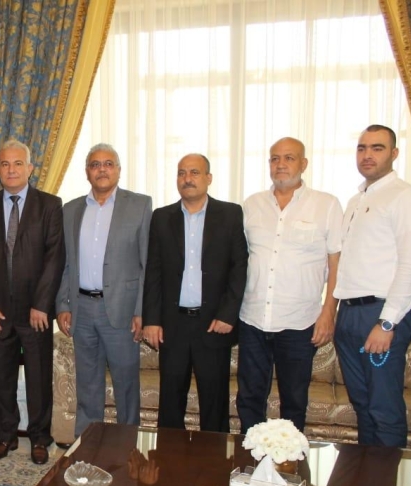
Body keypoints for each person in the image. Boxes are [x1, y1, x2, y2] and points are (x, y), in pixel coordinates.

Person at [333, 124, 411, 447]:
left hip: (380, 314)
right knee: (363, 407)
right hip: (349, 314)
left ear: (394, 153)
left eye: (377, 148)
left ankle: (386, 480)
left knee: (384, 409)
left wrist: (387, 322)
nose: (367, 155)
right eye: (362, 148)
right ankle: (368, 479)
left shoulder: (406, 197)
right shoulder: (356, 199)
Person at [236, 137, 343, 433]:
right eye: (275, 158)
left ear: (303, 164)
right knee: (249, 399)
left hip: (299, 323)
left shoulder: (326, 205)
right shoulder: (252, 204)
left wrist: (328, 312)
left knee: (294, 402)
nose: (280, 164)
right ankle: (249, 457)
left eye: (289, 158)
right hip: (252, 319)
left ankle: (291, 459)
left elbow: (337, 262)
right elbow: (239, 259)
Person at [0, 139, 64, 464]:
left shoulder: (49, 205)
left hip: (35, 311)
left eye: (18, 163)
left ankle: (40, 437)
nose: (11, 170)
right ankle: (6, 435)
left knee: (39, 378)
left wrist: (42, 304)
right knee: (2, 376)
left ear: (30, 168)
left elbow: (54, 258)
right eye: (5, 164)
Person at [142, 154, 247, 432]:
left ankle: (214, 459)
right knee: (170, 401)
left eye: (194, 172)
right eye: (182, 173)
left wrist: (228, 314)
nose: (187, 179)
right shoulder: (162, 217)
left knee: (214, 403)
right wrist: (151, 320)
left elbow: (239, 268)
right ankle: (169, 456)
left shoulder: (230, 214)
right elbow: (153, 271)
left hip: (213, 323)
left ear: (208, 178)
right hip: (172, 324)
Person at [55, 143, 152, 437]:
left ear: (118, 170)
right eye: (95, 164)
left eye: (108, 164)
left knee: (126, 384)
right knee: (87, 383)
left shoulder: (139, 205)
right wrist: (63, 304)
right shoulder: (71, 209)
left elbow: (147, 263)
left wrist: (141, 311)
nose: (102, 169)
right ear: (87, 172)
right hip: (82, 309)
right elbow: (65, 262)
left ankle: (127, 442)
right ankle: (87, 442)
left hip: (122, 310)